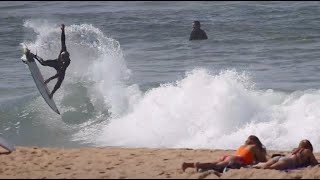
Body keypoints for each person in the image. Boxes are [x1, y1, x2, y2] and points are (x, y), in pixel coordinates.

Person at [181, 135, 267, 173]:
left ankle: (191, 165)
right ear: (256, 141)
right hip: (236, 160)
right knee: (213, 165)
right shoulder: (255, 146)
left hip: (229, 157)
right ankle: (192, 164)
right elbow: (263, 161)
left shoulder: (243, 146)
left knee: (214, 164)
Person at [33, 24, 71, 99]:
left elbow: (59, 73)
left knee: (59, 83)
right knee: (43, 63)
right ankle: (34, 55)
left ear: (66, 58)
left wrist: (49, 79)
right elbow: (63, 40)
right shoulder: (63, 50)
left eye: (63, 59)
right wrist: (63, 30)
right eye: (61, 57)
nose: (62, 59)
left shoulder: (66, 63)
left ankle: (52, 94)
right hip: (56, 63)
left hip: (61, 70)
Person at [252, 139, 318, 170]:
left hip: (279, 157)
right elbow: (315, 163)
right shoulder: (308, 151)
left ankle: (254, 166)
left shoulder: (295, 149)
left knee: (264, 165)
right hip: (288, 161)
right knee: (270, 168)